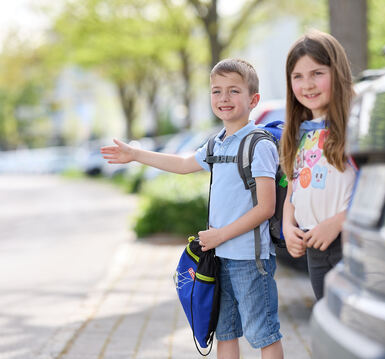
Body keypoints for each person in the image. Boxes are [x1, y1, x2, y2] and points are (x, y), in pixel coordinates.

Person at [101, 58, 284, 359]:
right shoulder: (218, 143)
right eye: (216, 91)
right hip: (218, 257)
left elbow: (265, 207)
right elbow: (184, 164)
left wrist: (220, 235)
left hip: (249, 259)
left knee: (263, 333)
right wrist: (135, 154)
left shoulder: (257, 145)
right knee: (224, 331)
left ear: (254, 100)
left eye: (233, 91)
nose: (224, 98)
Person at [280, 30, 356, 300]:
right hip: (313, 247)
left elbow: (377, 191)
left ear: (337, 72)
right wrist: (288, 227)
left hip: (347, 244)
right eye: (297, 77)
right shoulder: (299, 133)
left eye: (317, 73)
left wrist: (337, 222)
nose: (307, 84)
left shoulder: (354, 129)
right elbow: (292, 190)